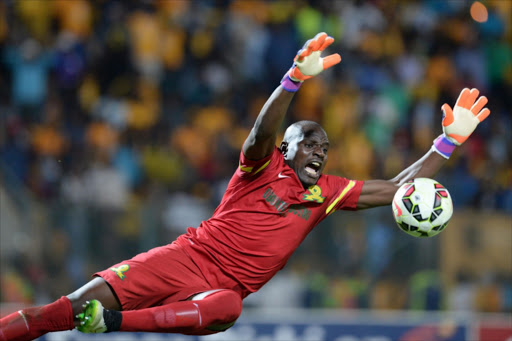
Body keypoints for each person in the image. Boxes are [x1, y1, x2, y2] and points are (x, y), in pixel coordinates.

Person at [0, 32, 490, 341]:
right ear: (286, 148)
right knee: (62, 311)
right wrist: (292, 80)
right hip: (184, 259)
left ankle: (113, 327)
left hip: (220, 292)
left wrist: (446, 144)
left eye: (325, 147)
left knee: (229, 307)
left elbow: (401, 189)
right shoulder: (258, 167)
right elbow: (260, 133)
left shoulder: (326, 194)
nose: (320, 151)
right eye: (309, 143)